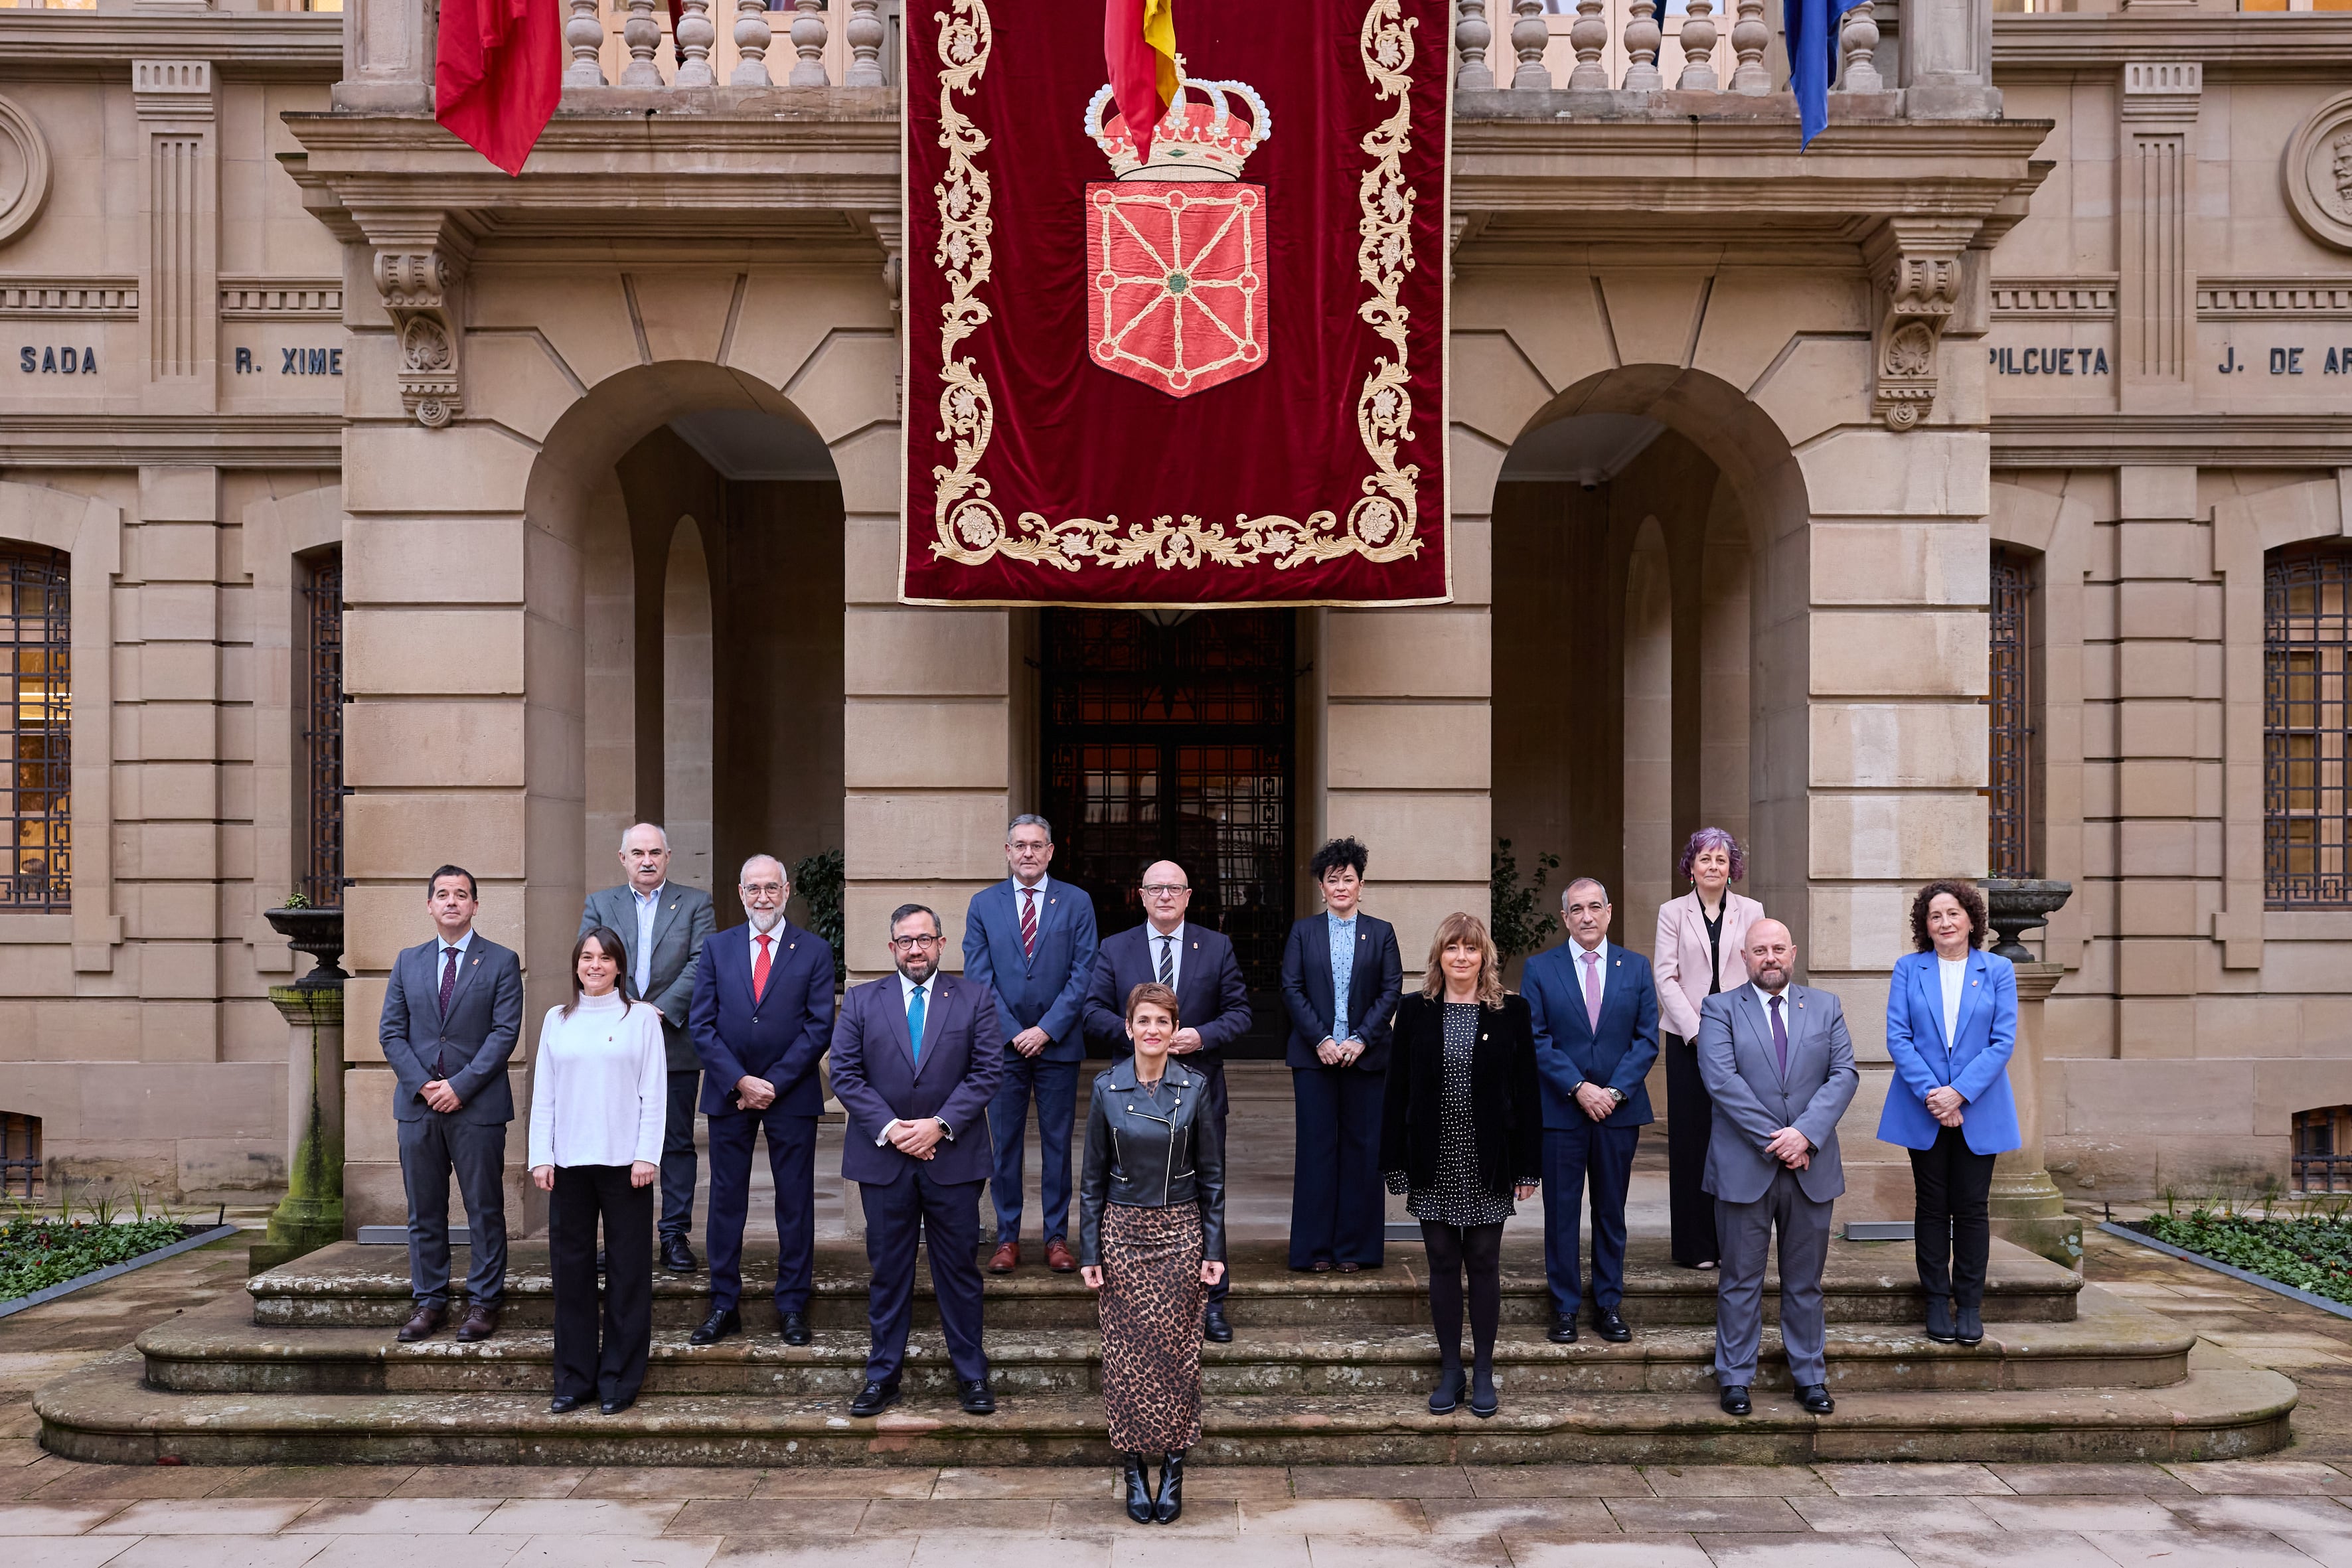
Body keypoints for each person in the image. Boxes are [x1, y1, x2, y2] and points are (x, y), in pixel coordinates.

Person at [830, 903, 1004, 1419]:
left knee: (958, 1272)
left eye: (925, 939)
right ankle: (882, 1377)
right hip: (884, 1161)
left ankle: (972, 1376)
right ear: (891, 948)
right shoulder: (861, 1002)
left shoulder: (973, 998)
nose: (915, 949)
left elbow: (986, 1071)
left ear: (940, 944)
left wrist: (938, 1126)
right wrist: (893, 1131)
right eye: (905, 941)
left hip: (952, 1158)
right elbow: (844, 1073)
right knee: (888, 1273)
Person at [1084, 859, 1253, 1342]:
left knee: (1204, 1192)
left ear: (1187, 895)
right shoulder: (1116, 948)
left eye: (1173, 888)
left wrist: (1199, 1036)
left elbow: (1241, 1013)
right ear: (1140, 895)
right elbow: (1091, 1011)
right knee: (1133, 1194)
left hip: (1199, 1091)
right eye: (1155, 888)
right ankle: (1135, 1299)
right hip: (1130, 1097)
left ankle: (1211, 1302)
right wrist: (1141, 1036)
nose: (1164, 896)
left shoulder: (1216, 946)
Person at [1381, 913, 1541, 1419]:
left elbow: (1527, 1093)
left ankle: (1484, 1370)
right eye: (1452, 948)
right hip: (1435, 1154)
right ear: (1439, 956)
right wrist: (1394, 1161)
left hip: (1488, 1156)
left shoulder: (1510, 1012)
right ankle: (1451, 1369)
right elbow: (1395, 1091)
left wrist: (1527, 1167)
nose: (1461, 958)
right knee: (1443, 1263)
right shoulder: (1414, 1011)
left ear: (1484, 957)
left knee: (1485, 1263)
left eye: (1470, 949)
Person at [1697, 917, 1859, 1418]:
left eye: (1777, 949)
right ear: (1743, 959)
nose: (1769, 958)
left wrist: (1804, 1134)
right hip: (1744, 1166)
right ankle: (1735, 1378)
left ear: (1792, 953)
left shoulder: (1826, 1007)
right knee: (1740, 1280)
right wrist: (1781, 1141)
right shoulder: (1719, 1009)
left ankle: (1808, 1376)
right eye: (1758, 950)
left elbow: (1843, 1074)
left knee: (1805, 1282)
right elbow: (1722, 1082)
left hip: (1810, 1169)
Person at [1078, 981, 1226, 1527]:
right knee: (1124, 1356)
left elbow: (1212, 1176)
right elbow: (1091, 1179)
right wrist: (1089, 1248)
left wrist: (1215, 1247)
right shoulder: (1105, 1088)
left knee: (1178, 1356)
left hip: (1181, 1232)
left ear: (1174, 1030)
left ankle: (1176, 1465)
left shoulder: (1195, 1086)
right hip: (1122, 1231)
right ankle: (1135, 1469)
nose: (1152, 1031)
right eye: (1143, 1021)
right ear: (1128, 1028)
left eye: (1162, 1022)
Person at [684, 854, 835, 1348]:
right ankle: (723, 1302)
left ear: (787, 891)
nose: (763, 897)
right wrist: (740, 1081)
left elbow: (819, 1026)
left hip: (791, 1095)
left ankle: (792, 1303)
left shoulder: (812, 950)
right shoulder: (716, 947)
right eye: (754, 888)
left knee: (794, 1203)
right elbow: (701, 1024)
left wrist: (772, 1081)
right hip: (730, 1094)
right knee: (726, 1201)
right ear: (741, 892)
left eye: (772, 888)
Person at [378, 865, 524, 1344]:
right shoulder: (408, 961)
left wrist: (459, 1086)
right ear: (429, 905)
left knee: (484, 1209)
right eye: (442, 894)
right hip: (418, 1108)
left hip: (476, 1107)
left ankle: (483, 1302)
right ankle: (430, 1302)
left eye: (461, 894)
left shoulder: (501, 961)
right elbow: (391, 1032)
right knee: (424, 1211)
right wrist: (423, 1085)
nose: (452, 902)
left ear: (475, 906)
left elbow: (504, 1035)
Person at [528, 927, 665, 1415]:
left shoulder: (642, 1018)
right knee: (571, 1275)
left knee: (628, 1275)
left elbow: (654, 1091)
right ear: (576, 965)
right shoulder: (556, 1020)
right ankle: (574, 1378)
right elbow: (543, 1093)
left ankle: (619, 1380)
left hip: (627, 1167)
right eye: (587, 957)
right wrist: (540, 1156)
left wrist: (648, 1153)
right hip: (568, 1165)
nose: (595, 965)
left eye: (605, 958)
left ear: (619, 967)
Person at [1878, 879, 2021, 1348]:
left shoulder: (1997, 969)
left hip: (1978, 1106)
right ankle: (1936, 1301)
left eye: (1952, 914)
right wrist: (1934, 1097)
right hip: (1923, 1108)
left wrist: (1958, 1094)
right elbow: (1898, 1037)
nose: (1944, 923)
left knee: (1972, 1209)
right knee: (1932, 1206)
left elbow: (2002, 1041)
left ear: (1970, 920)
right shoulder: (1908, 969)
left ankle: (1970, 1305)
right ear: (1925, 924)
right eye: (1934, 916)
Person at [1520, 877, 1659, 1346]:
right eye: (1575, 908)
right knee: (1560, 1213)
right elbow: (1535, 1039)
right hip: (1561, 1112)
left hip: (1617, 1114)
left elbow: (1646, 1040)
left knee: (1609, 1212)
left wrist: (1614, 1092)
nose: (1586, 916)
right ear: (1564, 918)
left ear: (1609, 911)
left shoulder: (1636, 967)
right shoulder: (1541, 969)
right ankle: (1563, 1308)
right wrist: (1579, 1088)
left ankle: (1607, 1305)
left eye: (1594, 907)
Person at [963, 813, 1101, 1275]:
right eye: (1019, 845)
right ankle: (1006, 1239)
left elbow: (1084, 974)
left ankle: (1057, 1238)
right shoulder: (984, 905)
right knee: (1004, 1146)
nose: (1027, 852)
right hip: (1001, 1049)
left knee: (1057, 1146)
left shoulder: (1077, 902)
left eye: (1036, 845)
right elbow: (979, 977)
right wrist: (1014, 1032)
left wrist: (1046, 1029)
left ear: (1050, 852)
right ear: (1007, 852)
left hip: (1058, 1046)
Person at [579, 823, 716, 1275]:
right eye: (637, 852)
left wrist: (657, 1010)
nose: (646, 860)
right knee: (618, 1141)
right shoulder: (601, 903)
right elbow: (590, 960)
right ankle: (623, 1237)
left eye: (655, 852)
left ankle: (674, 1235)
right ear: (622, 858)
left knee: (674, 1142)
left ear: (668, 856)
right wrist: (624, 1009)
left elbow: (702, 962)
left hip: (672, 1037)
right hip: (613, 1039)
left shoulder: (696, 903)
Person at [1279, 836, 1403, 1273]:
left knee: (1362, 1151)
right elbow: (1291, 989)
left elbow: (1391, 990)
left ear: (1361, 884)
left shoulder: (1381, 932)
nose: (1341, 887)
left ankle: (1355, 1249)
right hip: (1315, 1058)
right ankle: (1313, 1250)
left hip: (1366, 1059)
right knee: (1316, 1151)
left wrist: (1359, 1039)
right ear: (1321, 886)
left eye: (1348, 879)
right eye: (1333, 880)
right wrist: (1322, 1040)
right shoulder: (1302, 932)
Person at [1652, 828, 1764, 1271]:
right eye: (1704, 859)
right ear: (1691, 867)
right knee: (1691, 1139)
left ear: (1731, 867)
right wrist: (1697, 1032)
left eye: (1720, 859)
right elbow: (1666, 976)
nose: (1713, 867)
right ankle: (1695, 1246)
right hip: (1687, 1040)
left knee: (1737, 1136)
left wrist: (1728, 1033)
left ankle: (1733, 1244)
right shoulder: (1671, 912)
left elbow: (1759, 967)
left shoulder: (1751, 910)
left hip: (1741, 1037)